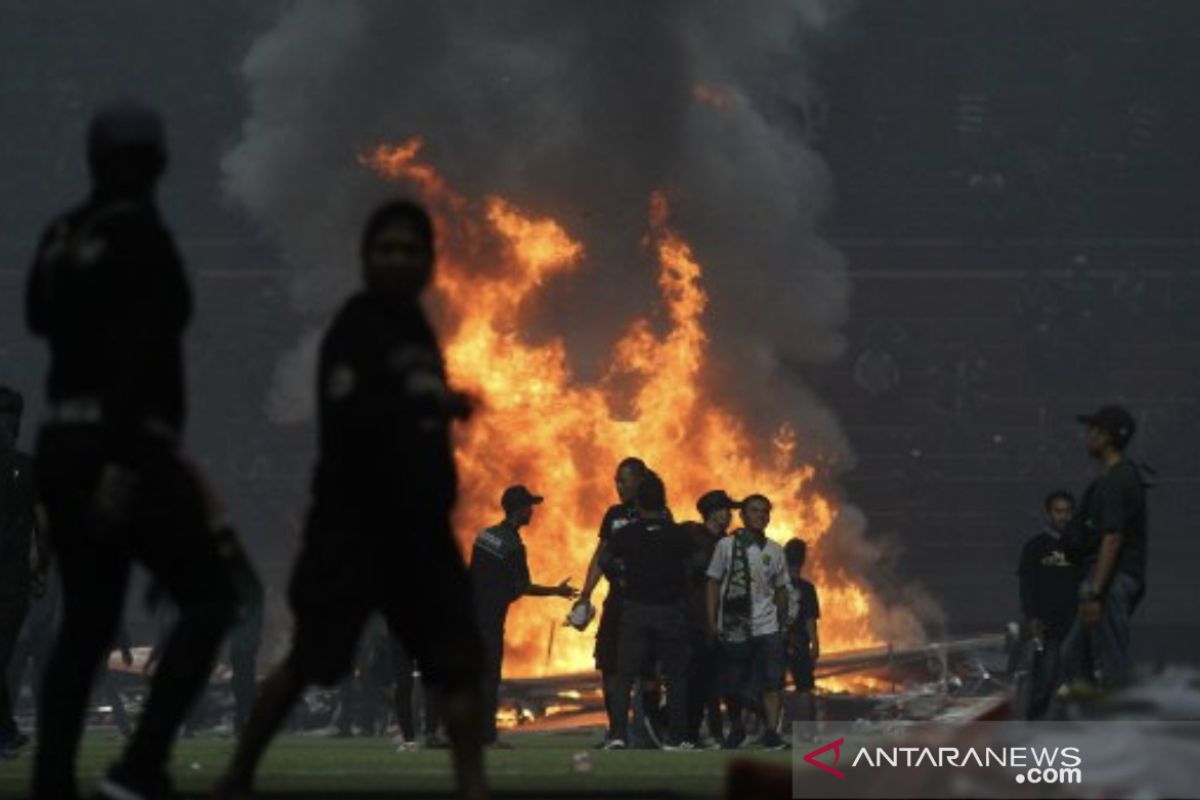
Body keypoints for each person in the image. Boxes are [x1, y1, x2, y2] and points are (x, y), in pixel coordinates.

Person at [213, 199, 487, 800]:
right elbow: (350, 418)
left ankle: (473, 787)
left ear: (428, 261)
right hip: (355, 526)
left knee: (459, 660)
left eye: (410, 249)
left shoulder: (416, 328)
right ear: (367, 259)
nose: (398, 260)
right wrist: (426, 405)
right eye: (386, 249)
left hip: (420, 530)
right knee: (311, 659)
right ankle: (238, 775)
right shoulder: (356, 328)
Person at [26, 100, 239, 800]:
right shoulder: (141, 236)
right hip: (125, 444)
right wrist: (129, 462)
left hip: (60, 442)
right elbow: (145, 352)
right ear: (151, 164)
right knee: (211, 596)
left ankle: (52, 779)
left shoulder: (62, 234)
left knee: (86, 617)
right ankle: (141, 765)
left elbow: (39, 316)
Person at [470, 485, 577, 746]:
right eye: (529, 506)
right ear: (519, 509)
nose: (532, 511)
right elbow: (523, 587)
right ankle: (488, 737)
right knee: (490, 677)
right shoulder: (513, 545)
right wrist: (557, 591)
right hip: (490, 620)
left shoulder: (484, 536)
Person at [602, 473, 696, 749]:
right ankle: (678, 737)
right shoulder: (678, 534)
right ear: (664, 502)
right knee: (676, 677)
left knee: (624, 676)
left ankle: (618, 735)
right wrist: (682, 579)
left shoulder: (627, 533)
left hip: (636, 611)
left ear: (639, 504)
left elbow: (606, 558)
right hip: (670, 612)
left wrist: (620, 576)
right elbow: (699, 562)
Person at [1061, 406, 1148, 690]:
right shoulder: (1117, 478)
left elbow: (1112, 538)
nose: (1087, 436)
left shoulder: (1117, 480)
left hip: (1109, 581)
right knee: (1074, 656)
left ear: (1106, 437)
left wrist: (1096, 593)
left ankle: (1117, 727)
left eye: (1093, 430)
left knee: (1111, 664)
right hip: (1108, 579)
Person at [574, 457, 649, 747]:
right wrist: (585, 594)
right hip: (616, 601)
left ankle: (644, 732)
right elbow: (600, 554)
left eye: (624, 480)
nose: (618, 486)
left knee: (646, 670)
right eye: (616, 480)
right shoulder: (614, 514)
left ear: (640, 480)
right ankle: (617, 731)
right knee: (609, 665)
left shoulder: (656, 513)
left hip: (647, 601)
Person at [706, 494, 790, 750]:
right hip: (734, 627)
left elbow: (781, 588)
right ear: (742, 515)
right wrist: (712, 621)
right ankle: (738, 728)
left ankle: (772, 733)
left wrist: (782, 623)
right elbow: (713, 582)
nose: (760, 516)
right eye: (754, 511)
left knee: (772, 682)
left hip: (768, 628)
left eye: (765, 512)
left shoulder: (775, 550)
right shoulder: (726, 546)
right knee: (733, 686)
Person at [0, 387, 46, 758]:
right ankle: (6, 734)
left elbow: (42, 529)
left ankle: (5, 735)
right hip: (13, 582)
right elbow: (43, 528)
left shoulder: (28, 470)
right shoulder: (29, 469)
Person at [679, 490, 738, 747]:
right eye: (725, 509)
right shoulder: (692, 538)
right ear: (713, 512)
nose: (730, 514)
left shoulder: (729, 543)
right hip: (695, 621)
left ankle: (717, 732)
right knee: (697, 679)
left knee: (718, 682)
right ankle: (689, 732)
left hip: (724, 622)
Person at [783, 539, 820, 728]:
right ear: (803, 560)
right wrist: (815, 644)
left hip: (778, 643)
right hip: (800, 643)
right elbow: (810, 620)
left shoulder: (775, 587)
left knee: (773, 687)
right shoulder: (807, 589)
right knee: (804, 687)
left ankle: (773, 729)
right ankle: (807, 732)